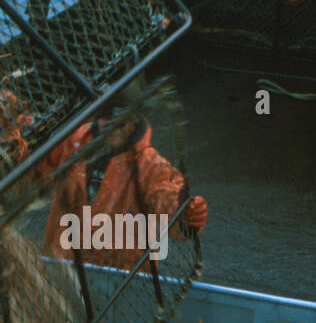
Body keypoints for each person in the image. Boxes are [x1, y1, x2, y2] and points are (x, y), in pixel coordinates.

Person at [37, 79, 207, 271]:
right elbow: (35, 170)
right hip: (62, 268)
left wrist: (185, 215)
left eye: (120, 116)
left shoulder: (151, 167)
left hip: (121, 278)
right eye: (106, 116)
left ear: (134, 119)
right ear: (95, 117)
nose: (113, 125)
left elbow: (167, 197)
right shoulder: (72, 142)